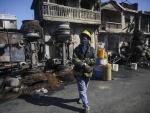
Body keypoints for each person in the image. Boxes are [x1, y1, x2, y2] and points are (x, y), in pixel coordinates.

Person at [72, 30, 96, 113]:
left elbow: (94, 59)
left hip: (88, 73)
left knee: (84, 88)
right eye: (82, 39)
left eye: (85, 39)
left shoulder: (92, 50)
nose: (83, 40)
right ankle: (86, 105)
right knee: (82, 89)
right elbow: (74, 59)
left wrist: (87, 63)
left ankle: (81, 98)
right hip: (79, 72)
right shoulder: (77, 49)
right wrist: (83, 64)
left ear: (88, 40)